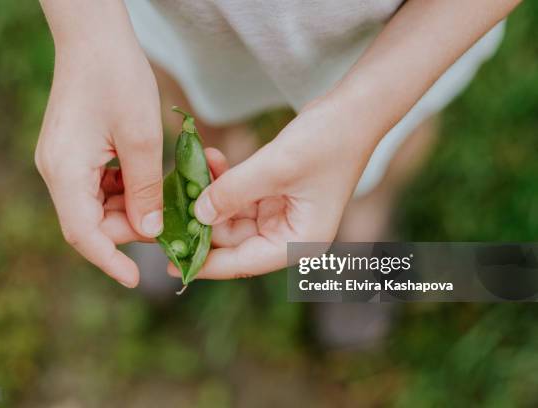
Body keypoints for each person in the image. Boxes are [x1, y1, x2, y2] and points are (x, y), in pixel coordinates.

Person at [35, 0, 519, 290]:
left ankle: (362, 224)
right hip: (190, 15)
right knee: (194, 111)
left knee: (389, 138)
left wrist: (364, 116)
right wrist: (86, 31)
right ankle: (192, 198)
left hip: (402, 31)